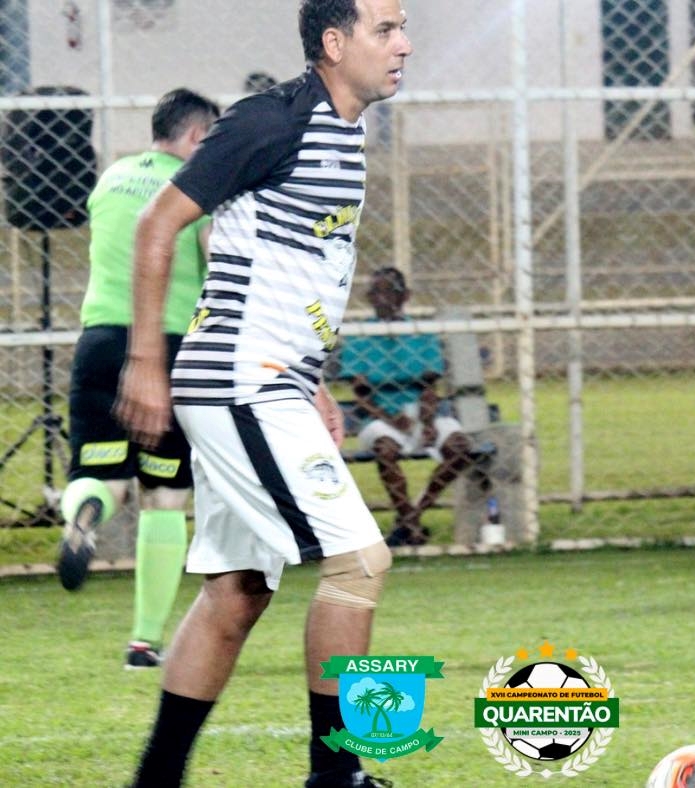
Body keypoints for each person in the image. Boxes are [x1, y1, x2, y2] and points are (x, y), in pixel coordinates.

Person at [115, 2, 411, 786]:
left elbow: (277, 255)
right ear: (334, 43)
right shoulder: (271, 121)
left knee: (237, 591)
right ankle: (336, 776)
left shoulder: (345, 131)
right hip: (241, 379)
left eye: (403, 27)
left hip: (269, 379)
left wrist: (311, 377)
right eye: (386, 30)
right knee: (359, 563)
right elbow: (157, 225)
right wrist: (144, 359)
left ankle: (155, 780)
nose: (404, 44)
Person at [56, 88, 220, 671]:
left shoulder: (111, 179)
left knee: (99, 476)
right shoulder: (196, 187)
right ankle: (143, 643)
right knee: (164, 498)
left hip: (100, 342)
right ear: (197, 136)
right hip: (167, 346)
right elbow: (214, 258)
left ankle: (84, 514)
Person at [337, 267, 474, 547]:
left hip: (422, 412)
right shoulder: (359, 336)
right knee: (385, 449)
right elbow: (361, 394)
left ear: (405, 296)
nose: (382, 298)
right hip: (379, 416)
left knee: (459, 447)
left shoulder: (422, 333)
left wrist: (428, 422)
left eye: (390, 291)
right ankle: (410, 520)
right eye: (376, 292)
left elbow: (429, 387)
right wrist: (389, 419)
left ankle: (410, 518)